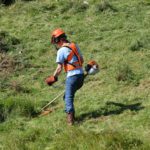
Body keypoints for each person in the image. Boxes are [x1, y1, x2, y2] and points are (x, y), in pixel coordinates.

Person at [46, 28, 84, 125]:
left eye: (55, 41)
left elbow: (59, 68)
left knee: (68, 98)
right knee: (66, 97)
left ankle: (70, 122)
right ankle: (73, 116)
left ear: (58, 40)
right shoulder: (74, 45)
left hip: (72, 77)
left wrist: (53, 78)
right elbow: (82, 60)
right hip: (81, 76)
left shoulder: (61, 50)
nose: (56, 44)